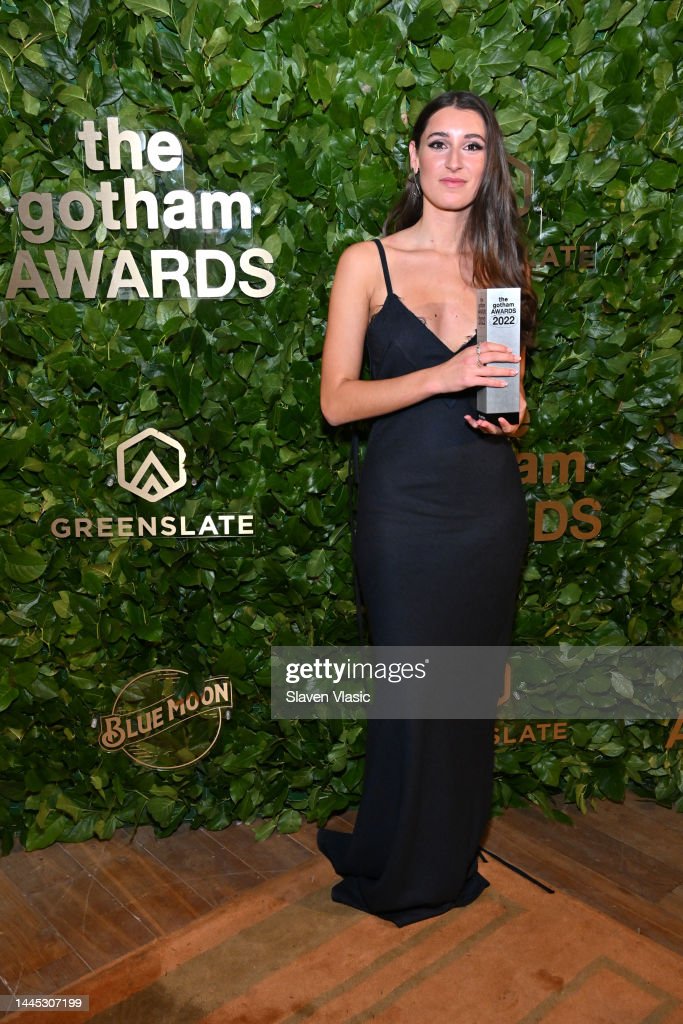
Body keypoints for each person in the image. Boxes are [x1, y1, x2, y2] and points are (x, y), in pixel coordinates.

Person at [317, 91, 536, 926]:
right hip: (404, 513)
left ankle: (444, 855)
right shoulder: (364, 263)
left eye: (472, 146)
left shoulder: (502, 271)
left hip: (486, 510)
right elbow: (338, 401)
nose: (453, 160)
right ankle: (396, 861)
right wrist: (441, 376)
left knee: (464, 697)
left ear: (489, 164)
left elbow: (507, 391)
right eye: (437, 143)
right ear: (412, 158)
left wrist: (514, 416)